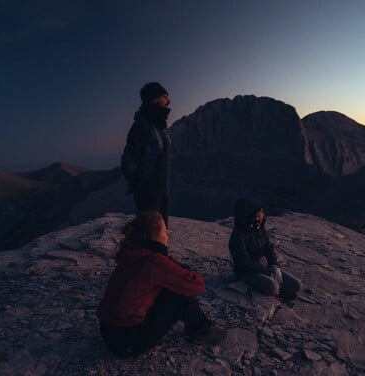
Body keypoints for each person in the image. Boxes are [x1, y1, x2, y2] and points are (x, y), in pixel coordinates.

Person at [97, 211, 226, 357]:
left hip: (108, 333)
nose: (168, 233)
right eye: (164, 229)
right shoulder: (153, 261)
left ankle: (197, 328)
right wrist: (167, 259)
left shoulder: (132, 253)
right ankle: (203, 330)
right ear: (155, 236)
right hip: (128, 342)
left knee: (169, 285)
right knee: (179, 295)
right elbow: (197, 285)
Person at [228, 198, 302, 300]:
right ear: (251, 215)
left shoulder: (259, 229)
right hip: (245, 272)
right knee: (272, 287)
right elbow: (244, 262)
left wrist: (274, 265)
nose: (263, 215)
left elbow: (268, 247)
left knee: (297, 285)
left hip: (262, 268)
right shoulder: (238, 236)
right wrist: (266, 271)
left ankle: (278, 288)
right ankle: (278, 292)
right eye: (260, 212)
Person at [121, 82, 172, 226]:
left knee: (161, 233)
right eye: (165, 97)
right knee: (148, 234)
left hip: (162, 190)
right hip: (148, 193)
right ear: (154, 99)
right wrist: (140, 185)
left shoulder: (160, 125)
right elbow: (128, 161)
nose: (168, 101)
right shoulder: (141, 126)